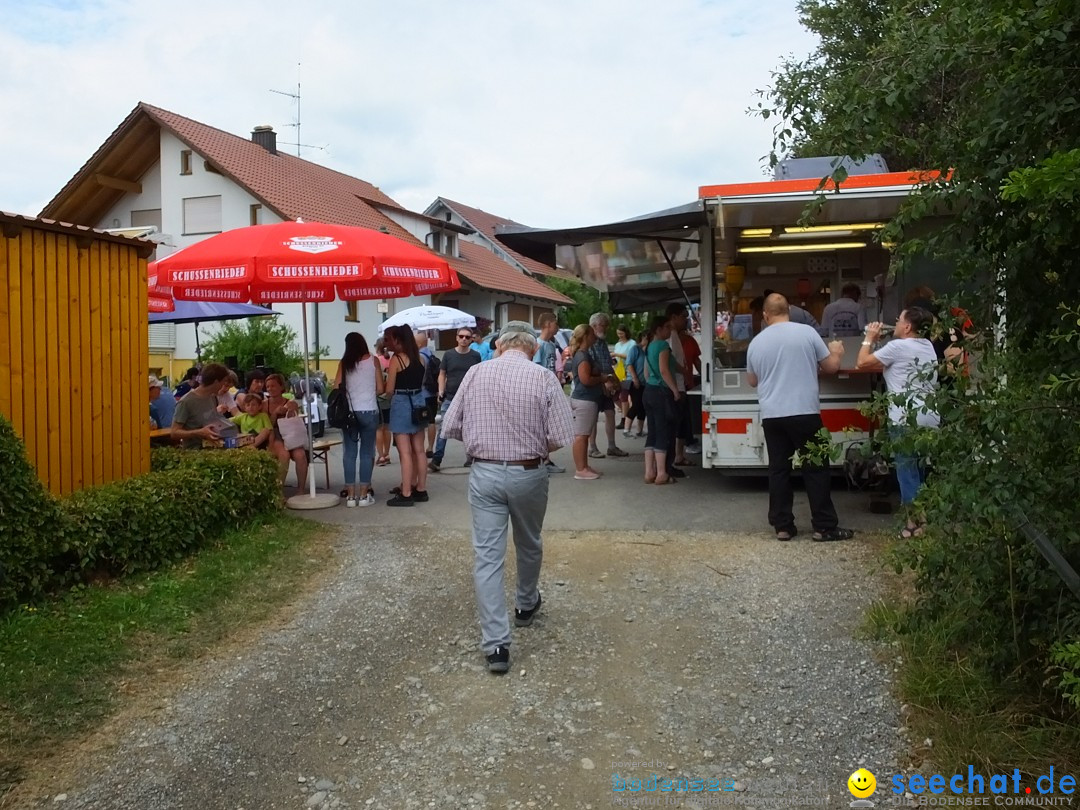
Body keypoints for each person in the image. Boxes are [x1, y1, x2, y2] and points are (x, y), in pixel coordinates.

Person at [440, 321, 575, 674]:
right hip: (529, 471)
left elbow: (450, 426)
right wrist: (532, 447)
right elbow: (563, 434)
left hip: (484, 472)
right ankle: (526, 603)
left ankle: (496, 645)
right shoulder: (543, 377)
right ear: (531, 348)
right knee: (529, 540)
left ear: (499, 345)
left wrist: (484, 438)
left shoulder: (474, 373)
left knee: (487, 557)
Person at [745, 293, 853, 542]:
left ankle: (783, 526)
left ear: (765, 315)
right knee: (815, 468)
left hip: (773, 415)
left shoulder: (757, 342)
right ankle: (824, 527)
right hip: (805, 412)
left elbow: (752, 381)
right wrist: (835, 351)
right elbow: (830, 368)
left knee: (779, 470)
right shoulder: (807, 333)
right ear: (789, 311)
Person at [856, 308, 940, 535]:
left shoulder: (897, 347)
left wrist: (869, 339)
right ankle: (923, 518)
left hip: (904, 417)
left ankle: (914, 523)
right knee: (920, 469)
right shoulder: (927, 346)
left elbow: (862, 363)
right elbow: (889, 364)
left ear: (907, 327)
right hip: (929, 416)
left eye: (899, 319)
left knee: (906, 470)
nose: (895, 321)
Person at [335, 331, 383, 508]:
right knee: (366, 453)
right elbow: (380, 388)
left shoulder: (344, 363)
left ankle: (350, 496)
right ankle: (364, 495)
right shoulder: (374, 361)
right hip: (369, 410)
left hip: (350, 413)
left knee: (349, 453)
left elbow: (336, 387)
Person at [383, 324, 429, 506]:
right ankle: (421, 489)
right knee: (419, 450)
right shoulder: (420, 358)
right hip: (418, 401)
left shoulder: (396, 360)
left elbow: (389, 389)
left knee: (405, 452)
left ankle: (406, 492)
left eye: (389, 339)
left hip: (402, 402)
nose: (387, 343)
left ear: (398, 339)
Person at [430, 327, 482, 472]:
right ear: (457, 338)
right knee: (444, 427)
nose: (464, 339)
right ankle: (437, 459)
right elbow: (442, 374)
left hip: (469, 397)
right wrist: (441, 390)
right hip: (451, 396)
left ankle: (471, 457)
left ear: (472, 339)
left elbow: (477, 375)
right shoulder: (448, 354)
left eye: (467, 337)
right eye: (461, 336)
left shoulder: (475, 356)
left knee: (470, 428)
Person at [643, 316, 681, 485]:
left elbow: (646, 372)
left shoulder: (649, 346)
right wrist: (675, 390)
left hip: (648, 391)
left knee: (651, 432)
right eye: (667, 327)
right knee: (662, 432)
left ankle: (649, 472)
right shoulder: (663, 346)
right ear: (658, 329)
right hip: (661, 392)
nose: (669, 331)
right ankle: (661, 473)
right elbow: (664, 370)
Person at [586, 312, 628, 459]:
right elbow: (592, 366)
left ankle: (611, 446)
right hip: (596, 384)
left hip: (607, 382)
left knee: (610, 413)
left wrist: (615, 380)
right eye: (604, 325)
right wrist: (606, 380)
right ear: (594, 326)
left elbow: (608, 363)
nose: (607, 328)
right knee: (593, 417)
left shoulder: (602, 342)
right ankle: (592, 448)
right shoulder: (589, 343)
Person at [568, 324, 604, 480]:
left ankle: (584, 466)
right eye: (592, 334)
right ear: (586, 336)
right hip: (584, 399)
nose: (595, 336)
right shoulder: (582, 356)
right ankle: (580, 469)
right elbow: (585, 379)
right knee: (581, 436)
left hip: (586, 399)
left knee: (583, 434)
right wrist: (602, 379)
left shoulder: (583, 354)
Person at [532, 313, 567, 474]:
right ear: (547, 324)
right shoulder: (538, 345)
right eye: (555, 323)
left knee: (548, 428)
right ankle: (542, 461)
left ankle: (546, 459)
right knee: (541, 427)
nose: (557, 327)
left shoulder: (551, 345)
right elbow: (537, 369)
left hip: (552, 390)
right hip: (542, 391)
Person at [171, 363, 231, 448]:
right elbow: (174, 432)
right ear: (216, 382)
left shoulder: (212, 397)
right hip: (195, 453)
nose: (223, 386)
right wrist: (198, 432)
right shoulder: (186, 402)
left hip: (213, 449)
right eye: (223, 382)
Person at [265, 372, 309, 488]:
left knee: (300, 455)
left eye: (273, 386)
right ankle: (279, 490)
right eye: (268, 386)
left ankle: (301, 490)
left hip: (291, 434)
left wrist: (292, 410)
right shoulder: (265, 404)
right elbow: (267, 425)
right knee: (284, 455)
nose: (270, 389)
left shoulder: (290, 402)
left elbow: (296, 422)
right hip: (275, 435)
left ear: (281, 387)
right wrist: (275, 413)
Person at [416, 331, 439, 457]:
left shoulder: (419, 356)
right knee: (431, 421)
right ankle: (430, 446)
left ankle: (421, 447)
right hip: (432, 393)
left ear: (419, 344)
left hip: (422, 393)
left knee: (421, 422)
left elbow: (418, 376)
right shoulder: (431, 354)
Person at [622, 331, 648, 437]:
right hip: (634, 381)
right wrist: (635, 378)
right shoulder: (635, 349)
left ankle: (639, 430)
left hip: (645, 382)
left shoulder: (647, 351)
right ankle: (626, 429)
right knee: (636, 404)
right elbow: (629, 364)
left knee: (642, 406)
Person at [373, 337, 393, 466]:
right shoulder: (392, 360)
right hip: (390, 397)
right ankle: (387, 453)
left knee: (379, 429)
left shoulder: (376, 361)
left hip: (378, 398)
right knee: (387, 427)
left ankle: (380, 456)